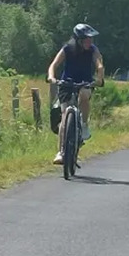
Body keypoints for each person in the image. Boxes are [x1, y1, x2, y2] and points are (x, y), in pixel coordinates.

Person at [47, 23, 105, 165]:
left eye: (91, 39)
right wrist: (51, 77)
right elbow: (54, 64)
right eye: (86, 39)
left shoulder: (93, 50)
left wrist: (99, 78)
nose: (90, 42)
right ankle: (61, 151)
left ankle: (84, 125)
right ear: (78, 40)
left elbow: (99, 64)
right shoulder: (67, 48)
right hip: (67, 82)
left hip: (85, 82)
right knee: (64, 115)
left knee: (84, 96)